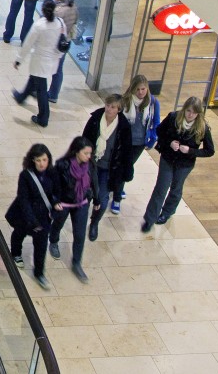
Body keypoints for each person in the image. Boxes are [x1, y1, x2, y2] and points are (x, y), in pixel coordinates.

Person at [140, 96, 215, 233]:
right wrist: (169, 142)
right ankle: (150, 219)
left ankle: (167, 212)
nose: (190, 115)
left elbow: (210, 151)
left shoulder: (203, 127)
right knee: (161, 188)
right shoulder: (174, 117)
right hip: (168, 158)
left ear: (198, 114)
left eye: (194, 112)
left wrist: (191, 151)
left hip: (184, 164)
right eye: (188, 111)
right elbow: (159, 131)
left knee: (176, 188)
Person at [82, 93, 134, 244]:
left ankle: (94, 223)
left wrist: (127, 171)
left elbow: (127, 150)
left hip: (109, 169)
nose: (109, 109)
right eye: (107, 105)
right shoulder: (95, 119)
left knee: (103, 199)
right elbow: (84, 139)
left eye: (113, 107)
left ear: (119, 109)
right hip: (91, 164)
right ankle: (80, 220)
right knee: (85, 194)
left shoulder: (123, 127)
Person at [48, 136, 97, 283]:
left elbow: (94, 182)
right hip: (64, 203)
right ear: (76, 152)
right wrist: (55, 201)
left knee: (80, 234)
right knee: (57, 224)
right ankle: (54, 240)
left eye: (90, 154)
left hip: (82, 203)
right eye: (86, 153)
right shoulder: (62, 165)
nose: (89, 157)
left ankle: (77, 263)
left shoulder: (91, 165)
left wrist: (97, 199)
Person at [11, 0, 67, 127]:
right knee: (34, 79)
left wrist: (19, 60)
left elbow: (28, 44)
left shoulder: (40, 25)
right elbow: (63, 41)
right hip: (52, 60)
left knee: (41, 89)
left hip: (40, 61)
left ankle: (43, 117)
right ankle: (21, 96)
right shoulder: (60, 23)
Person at [5, 144, 54, 289]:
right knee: (19, 234)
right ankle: (16, 253)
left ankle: (39, 273)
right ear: (32, 160)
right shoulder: (25, 176)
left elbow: (56, 194)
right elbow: (23, 199)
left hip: (43, 217)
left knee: (41, 246)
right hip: (25, 216)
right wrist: (32, 221)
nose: (42, 163)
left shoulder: (52, 174)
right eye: (38, 160)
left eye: (44, 160)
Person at [114, 74, 160, 214]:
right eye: (138, 89)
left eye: (143, 89)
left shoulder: (152, 102)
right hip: (125, 141)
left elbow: (156, 122)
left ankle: (118, 186)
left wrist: (153, 139)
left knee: (128, 166)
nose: (141, 92)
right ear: (133, 89)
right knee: (124, 166)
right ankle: (116, 198)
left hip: (140, 143)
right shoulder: (125, 101)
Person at [48, 0, 78, 101]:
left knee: (56, 68)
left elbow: (52, 24)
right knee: (59, 68)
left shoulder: (60, 10)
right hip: (67, 41)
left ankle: (53, 94)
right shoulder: (73, 6)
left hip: (58, 41)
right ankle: (53, 93)